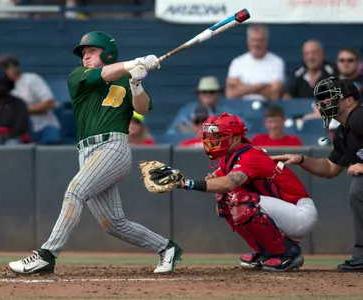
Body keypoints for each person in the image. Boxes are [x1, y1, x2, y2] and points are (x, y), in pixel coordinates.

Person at [8, 31, 182, 275]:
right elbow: (105, 74)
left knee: (75, 191)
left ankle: (47, 255)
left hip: (113, 146)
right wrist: (134, 63)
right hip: (88, 152)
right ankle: (167, 247)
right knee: (113, 223)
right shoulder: (78, 75)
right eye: (83, 53)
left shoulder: (124, 78)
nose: (85, 56)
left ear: (107, 53)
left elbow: (142, 108)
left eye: (91, 51)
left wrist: (136, 82)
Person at [147, 112, 318, 272]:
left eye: (218, 137)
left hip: (299, 211)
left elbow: (229, 183)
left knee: (240, 200)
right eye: (211, 137)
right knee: (223, 202)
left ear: (236, 137)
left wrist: (186, 183)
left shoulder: (250, 155)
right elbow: (214, 183)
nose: (212, 141)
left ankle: (287, 253)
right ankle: (265, 252)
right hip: (283, 210)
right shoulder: (231, 156)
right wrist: (179, 180)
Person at [272, 77, 363, 272]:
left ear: (349, 100)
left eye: (329, 98)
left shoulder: (359, 117)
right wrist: (301, 159)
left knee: (359, 186)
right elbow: (330, 168)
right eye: (322, 100)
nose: (323, 104)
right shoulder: (342, 133)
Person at [0, 54, 62, 145]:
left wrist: (22, 111)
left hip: (44, 127)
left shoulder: (31, 79)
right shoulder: (1, 87)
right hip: (19, 131)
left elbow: (49, 103)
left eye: (6, 68)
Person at [225, 24, 285, 102]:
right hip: (241, 109)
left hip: (267, 109)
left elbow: (274, 95)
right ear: (248, 41)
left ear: (266, 41)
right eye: (253, 40)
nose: (256, 44)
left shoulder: (277, 62)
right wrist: (261, 86)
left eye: (259, 40)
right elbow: (230, 94)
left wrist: (243, 87)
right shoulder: (237, 62)